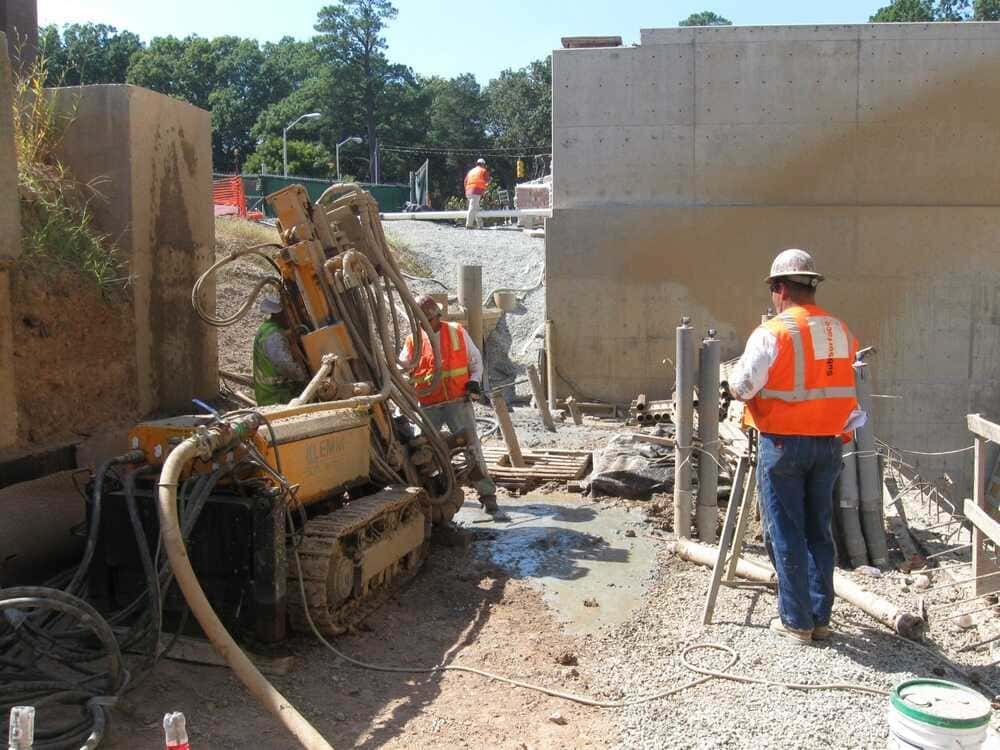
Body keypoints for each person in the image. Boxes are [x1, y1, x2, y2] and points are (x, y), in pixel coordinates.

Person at [725, 249, 861, 645]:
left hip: (784, 444)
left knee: (784, 530)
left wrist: (738, 381)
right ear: (812, 286)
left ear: (780, 288)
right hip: (829, 444)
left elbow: (743, 386)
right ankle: (820, 618)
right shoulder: (841, 330)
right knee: (819, 530)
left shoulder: (774, 331)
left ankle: (796, 621)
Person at [401, 295, 500, 514]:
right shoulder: (413, 341)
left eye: (432, 319)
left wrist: (474, 382)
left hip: (457, 402)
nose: (428, 324)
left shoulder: (456, 332)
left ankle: (487, 495)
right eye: (423, 321)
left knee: (471, 448)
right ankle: (428, 495)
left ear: (438, 316)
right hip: (428, 405)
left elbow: (475, 361)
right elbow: (401, 368)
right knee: (423, 452)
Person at [252, 293, 307, 406]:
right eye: (289, 313)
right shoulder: (273, 335)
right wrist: (305, 376)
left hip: (272, 394)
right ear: (281, 314)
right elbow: (285, 365)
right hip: (276, 397)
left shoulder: (268, 328)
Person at [463, 158, 489, 230]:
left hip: (468, 191)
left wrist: (467, 190)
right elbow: (487, 181)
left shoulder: (471, 171)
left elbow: (465, 181)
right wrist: (485, 190)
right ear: (483, 164)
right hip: (476, 191)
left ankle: (480, 224)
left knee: (476, 208)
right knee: (472, 208)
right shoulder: (483, 170)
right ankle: (469, 225)